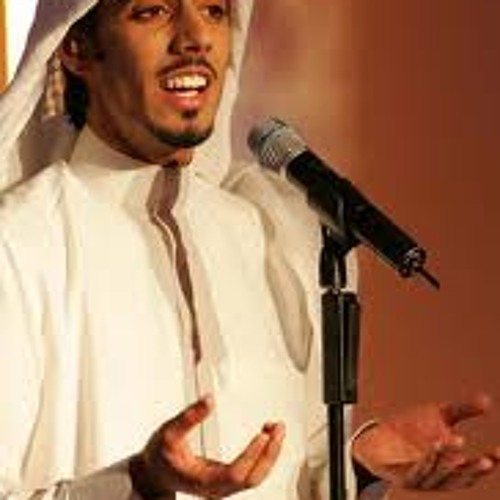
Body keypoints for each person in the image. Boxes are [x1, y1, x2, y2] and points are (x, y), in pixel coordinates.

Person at [0, 1, 498, 499]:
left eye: (214, 11)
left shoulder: (268, 237)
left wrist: (357, 467)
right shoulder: (22, 243)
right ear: (76, 46)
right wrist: (138, 483)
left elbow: (292, 479)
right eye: (153, 11)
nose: (195, 38)